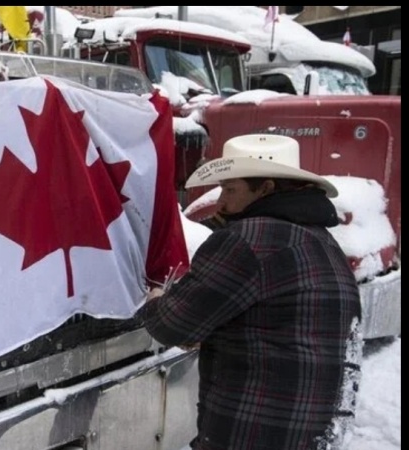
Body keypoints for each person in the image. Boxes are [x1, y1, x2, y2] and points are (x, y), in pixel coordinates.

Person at [142, 134, 362, 450]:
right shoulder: (323, 241)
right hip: (310, 432)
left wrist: (156, 301)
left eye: (230, 190)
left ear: (266, 188)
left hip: (253, 432)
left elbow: (173, 325)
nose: (220, 202)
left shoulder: (249, 238)